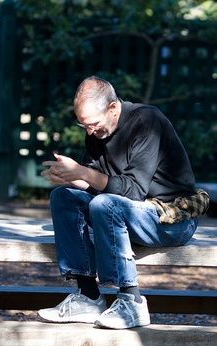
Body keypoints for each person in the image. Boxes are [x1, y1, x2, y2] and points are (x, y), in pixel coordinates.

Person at [38, 76, 209, 329]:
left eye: (92, 124)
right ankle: (88, 296)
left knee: (106, 205)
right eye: (83, 125)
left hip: (171, 218)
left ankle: (132, 301)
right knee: (63, 198)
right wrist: (71, 177)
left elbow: (132, 192)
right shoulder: (96, 132)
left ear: (113, 108)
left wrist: (83, 173)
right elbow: (98, 185)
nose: (89, 131)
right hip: (128, 215)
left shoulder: (147, 122)